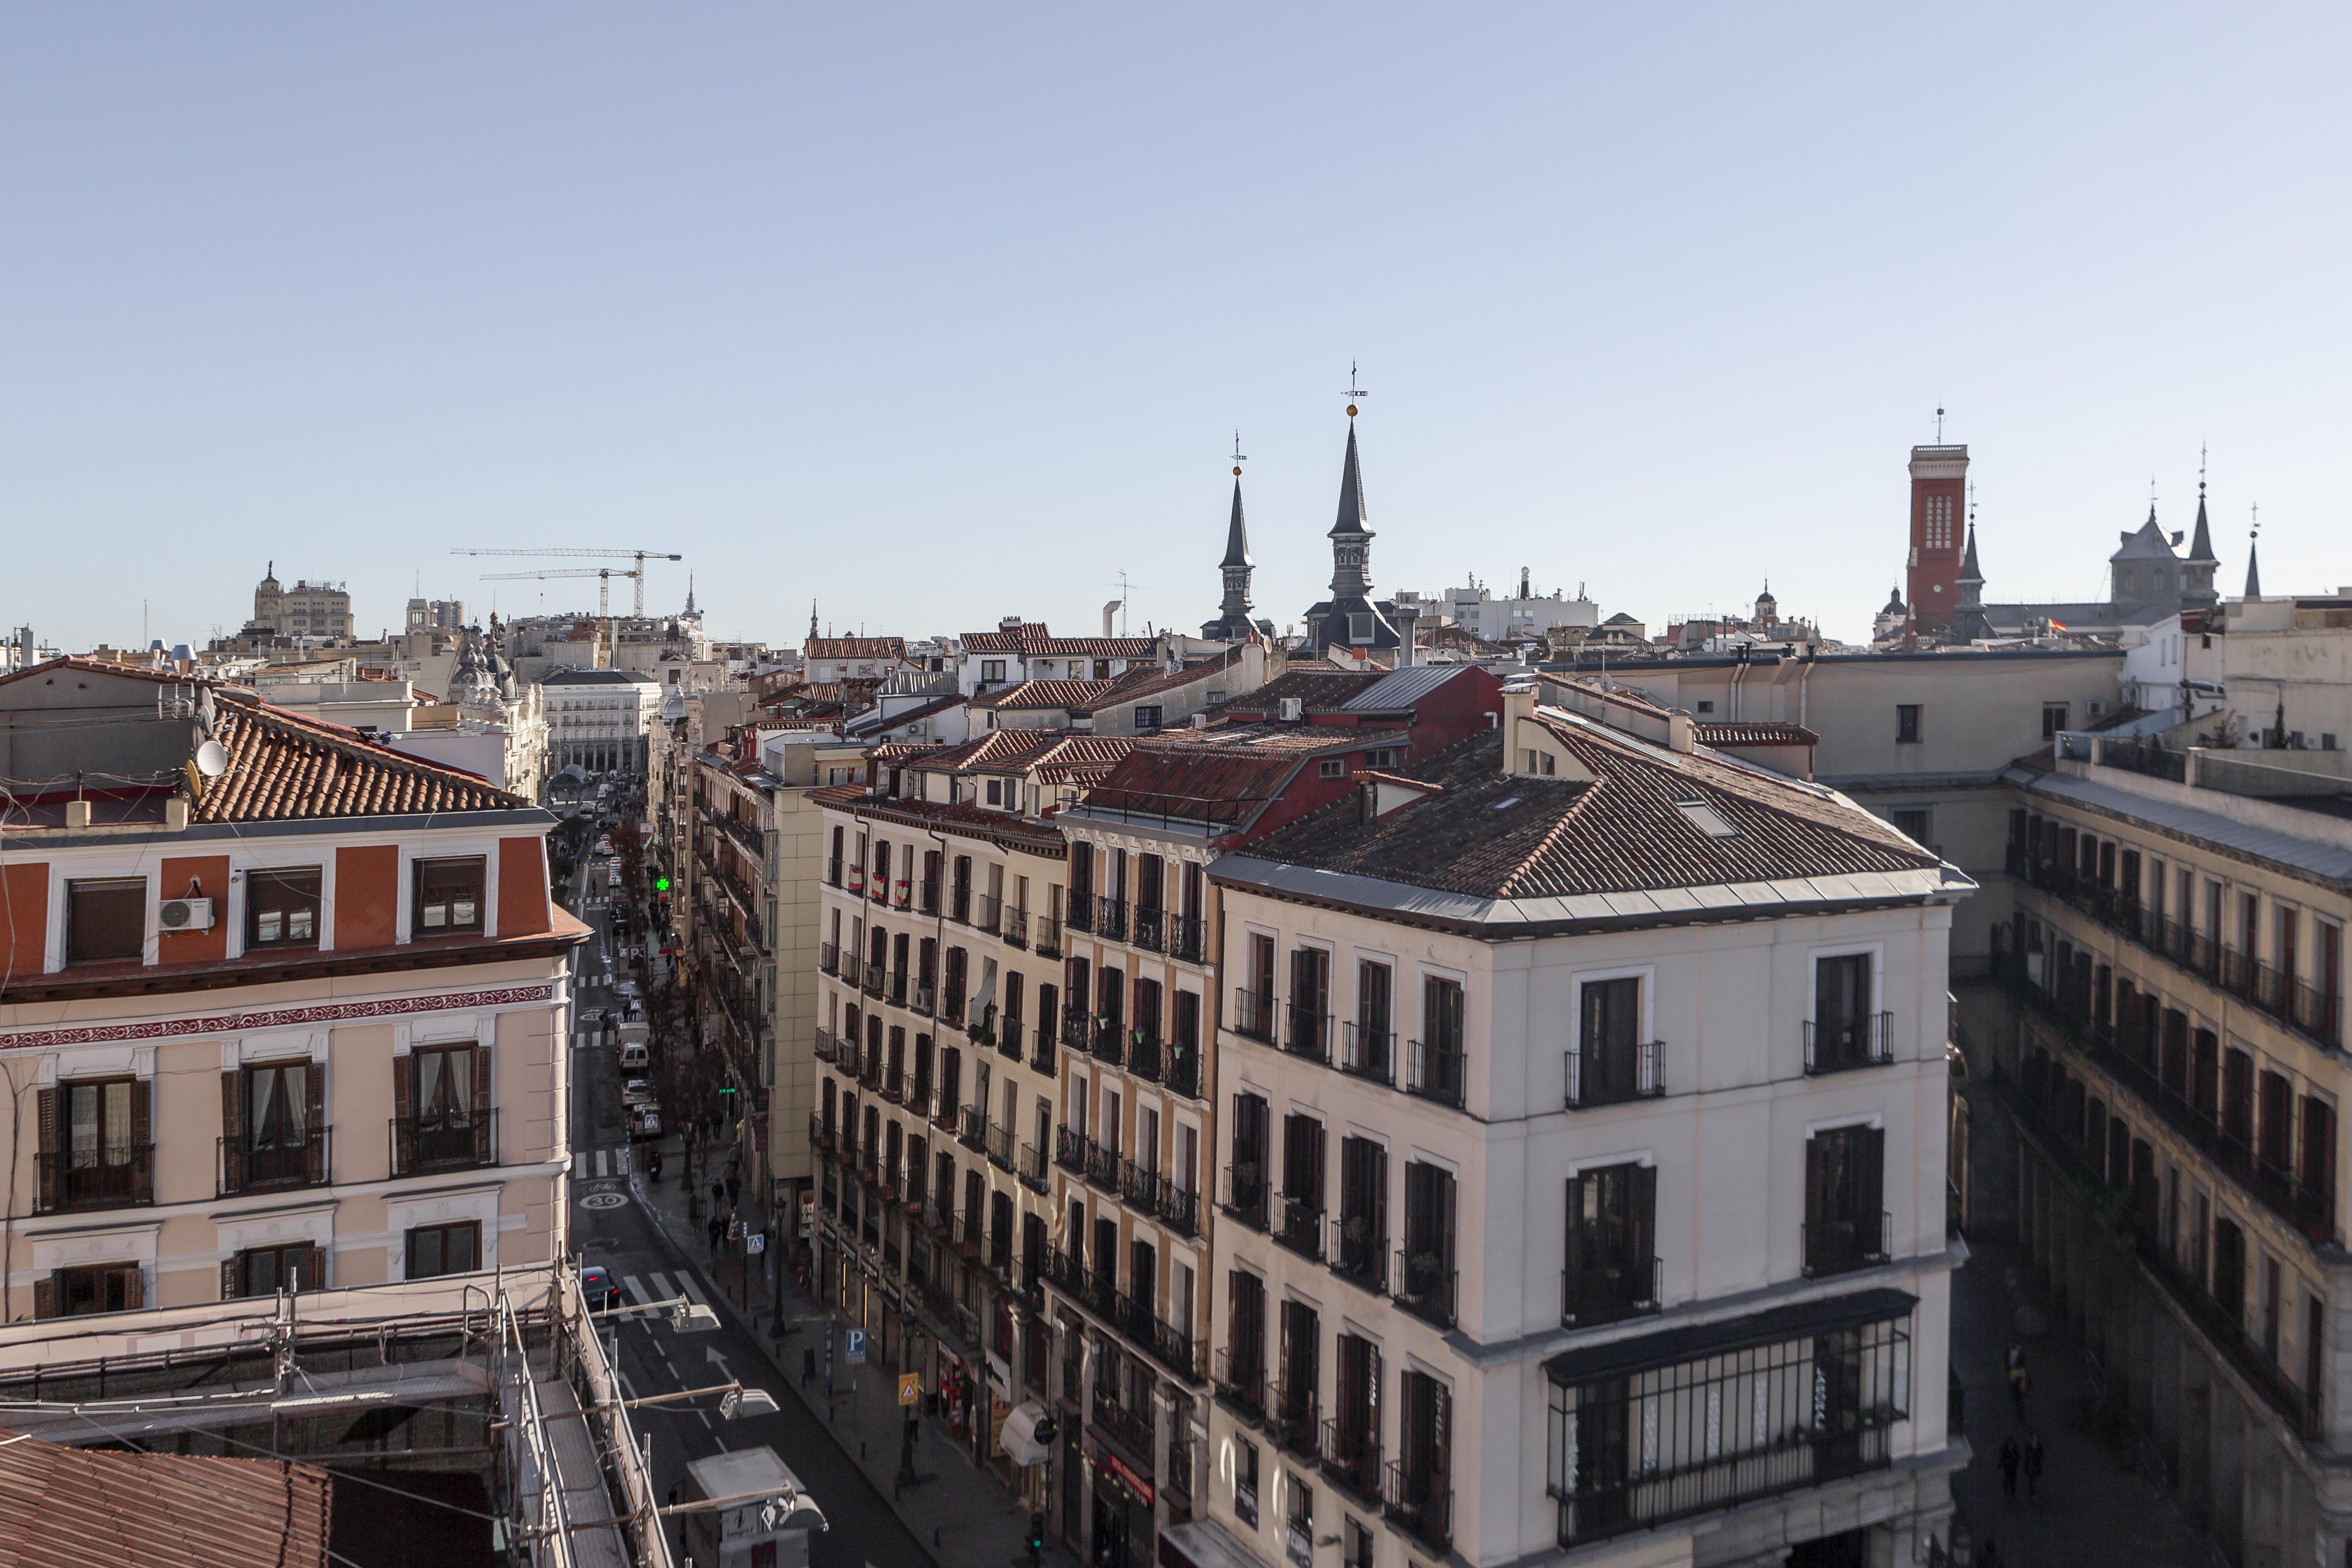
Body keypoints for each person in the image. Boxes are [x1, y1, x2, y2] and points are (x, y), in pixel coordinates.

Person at [2023, 1431, 2044, 1502]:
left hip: (2036, 1466)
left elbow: (2041, 1456)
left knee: (2035, 1481)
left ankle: (2033, 1494)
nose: (2035, 1439)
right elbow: (2026, 1457)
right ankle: (2032, 1494)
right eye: (2033, 1438)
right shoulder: (2029, 1446)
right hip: (2031, 1466)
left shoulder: (2039, 1446)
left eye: (2036, 1438)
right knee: (2031, 1481)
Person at [1998, 1435, 2019, 1502]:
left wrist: (2015, 1461)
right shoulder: (2005, 1449)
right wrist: (2001, 1464)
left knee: (2013, 1482)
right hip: (2007, 1468)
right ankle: (2007, 1493)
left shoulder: (2015, 1449)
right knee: (2006, 1481)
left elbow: (2018, 1456)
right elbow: (2002, 1457)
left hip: (2013, 1468)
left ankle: (2012, 1494)